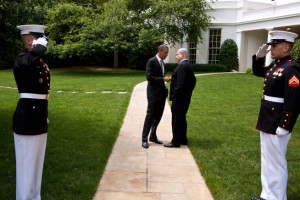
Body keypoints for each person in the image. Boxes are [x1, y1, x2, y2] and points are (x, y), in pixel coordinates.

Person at [251, 30, 300, 200]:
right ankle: (267, 195)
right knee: (267, 160)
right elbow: (258, 72)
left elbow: (293, 100)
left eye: (274, 45)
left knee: (276, 162)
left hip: (277, 121)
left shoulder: (291, 68)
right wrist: (258, 58)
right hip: (267, 118)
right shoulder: (276, 65)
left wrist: (285, 125)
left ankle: (277, 197)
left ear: (286, 47)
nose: (271, 48)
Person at [13, 24, 50, 200]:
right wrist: (39, 47)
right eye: (38, 38)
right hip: (27, 119)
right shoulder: (22, 60)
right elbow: (28, 61)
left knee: (37, 164)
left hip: (40, 117)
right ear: (28, 39)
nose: (43, 41)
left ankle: (35, 196)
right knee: (26, 165)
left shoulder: (39, 62)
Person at [164, 48, 196, 148]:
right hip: (185, 98)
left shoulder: (182, 66)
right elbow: (193, 81)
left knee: (176, 120)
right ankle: (183, 139)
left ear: (182, 55)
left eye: (177, 54)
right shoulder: (188, 66)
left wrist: (175, 96)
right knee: (182, 118)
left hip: (180, 99)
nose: (176, 56)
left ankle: (175, 142)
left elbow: (180, 84)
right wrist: (188, 92)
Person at [141, 44, 171, 149]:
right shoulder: (151, 61)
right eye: (166, 52)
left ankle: (153, 136)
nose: (167, 55)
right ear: (160, 51)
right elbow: (149, 77)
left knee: (158, 115)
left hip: (162, 93)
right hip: (153, 93)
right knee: (150, 115)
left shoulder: (162, 63)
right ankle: (144, 139)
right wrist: (163, 79)